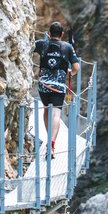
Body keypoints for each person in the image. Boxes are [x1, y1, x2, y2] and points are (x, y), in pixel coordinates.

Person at [34, 21, 80, 152]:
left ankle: (49, 137)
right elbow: (76, 67)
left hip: (43, 86)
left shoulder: (41, 44)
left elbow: (28, 47)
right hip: (58, 87)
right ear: (62, 34)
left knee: (46, 110)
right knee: (56, 114)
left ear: (49, 34)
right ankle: (52, 142)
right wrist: (71, 73)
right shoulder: (67, 47)